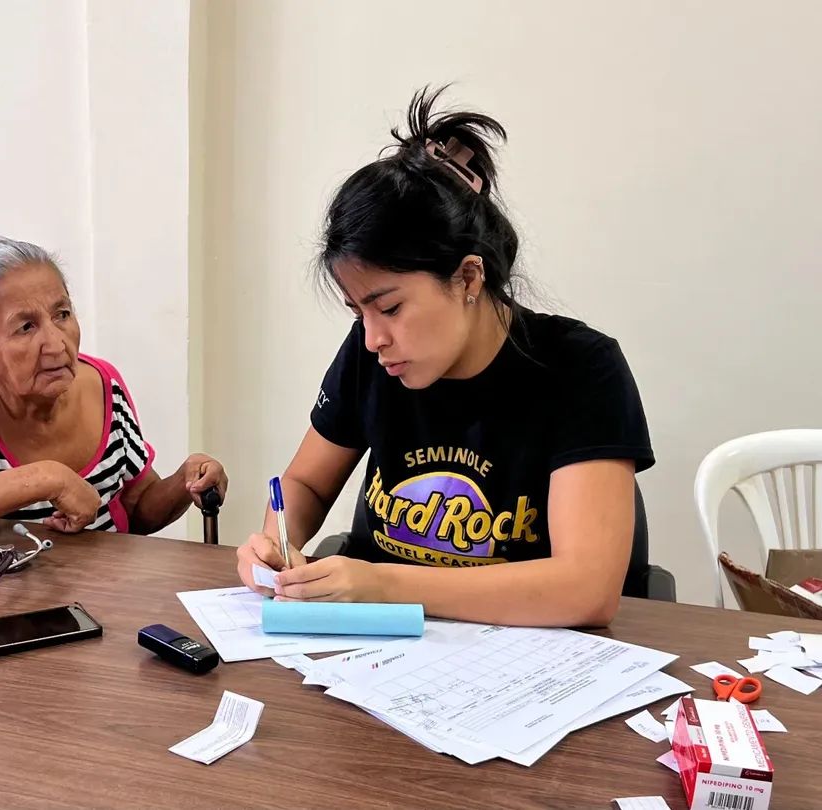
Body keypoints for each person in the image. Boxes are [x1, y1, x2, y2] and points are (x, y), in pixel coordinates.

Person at [236, 88, 653, 627]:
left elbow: (586, 590)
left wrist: (384, 584)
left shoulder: (581, 367)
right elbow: (306, 485)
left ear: (469, 277)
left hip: (523, 656)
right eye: (358, 312)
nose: (373, 338)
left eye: (389, 307)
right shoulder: (371, 354)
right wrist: (274, 542)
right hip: (376, 650)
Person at [0, 237, 227, 550]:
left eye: (62, 314)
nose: (56, 344)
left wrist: (184, 482)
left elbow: (136, 510)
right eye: (26, 327)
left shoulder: (104, 385)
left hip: (107, 591)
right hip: (3, 600)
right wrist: (45, 479)